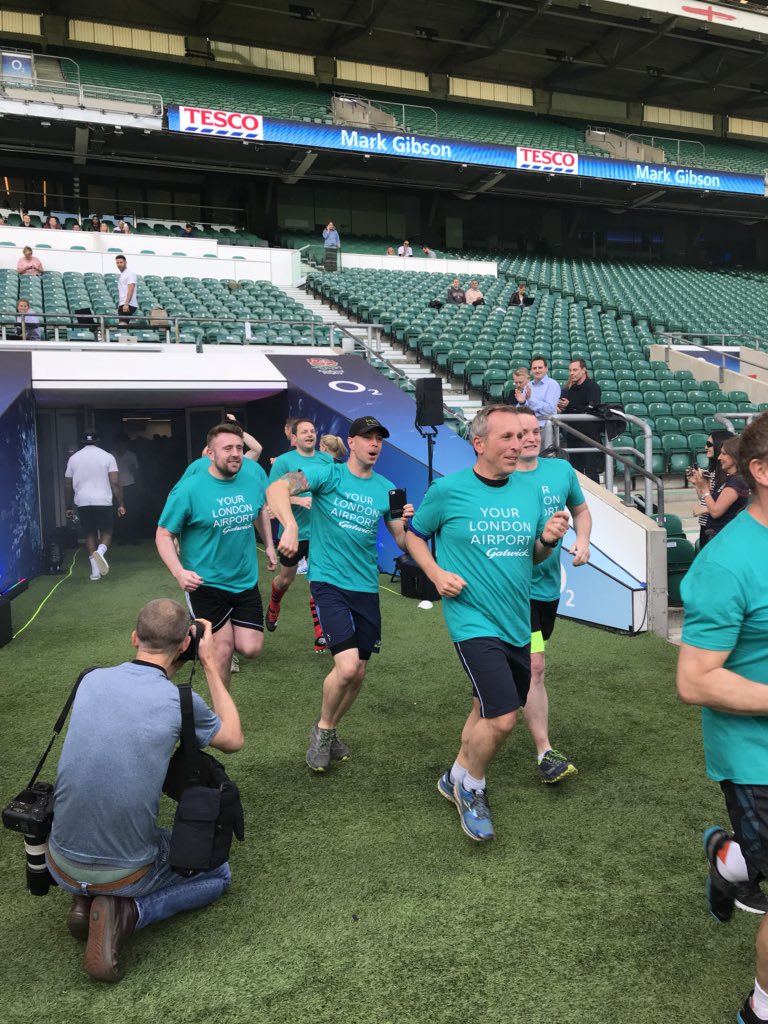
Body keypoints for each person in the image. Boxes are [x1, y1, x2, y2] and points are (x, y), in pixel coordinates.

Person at [45, 599, 243, 983]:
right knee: (219, 875)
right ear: (185, 644)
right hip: (126, 873)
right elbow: (233, 738)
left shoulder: (90, 679)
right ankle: (128, 912)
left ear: (135, 637)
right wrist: (209, 663)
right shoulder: (179, 701)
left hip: (58, 861)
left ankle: (84, 899)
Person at [405, 405, 569, 843]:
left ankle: (454, 775)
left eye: (521, 436)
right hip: (472, 618)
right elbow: (414, 535)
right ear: (479, 443)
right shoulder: (448, 490)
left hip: (516, 618)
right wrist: (436, 574)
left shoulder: (528, 492)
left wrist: (547, 540)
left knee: (485, 705)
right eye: (507, 437)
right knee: (502, 717)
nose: (519, 445)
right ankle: (471, 787)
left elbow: (533, 556)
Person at [676, 412, 768, 1022]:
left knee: (757, 857)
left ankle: (728, 859)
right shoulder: (726, 562)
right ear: (761, 470)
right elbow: (696, 680)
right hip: (756, 757)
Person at [266, 416, 413, 773]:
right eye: (368, 437)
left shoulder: (388, 489)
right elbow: (277, 490)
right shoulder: (327, 474)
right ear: (352, 442)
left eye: (379, 439)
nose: (374, 444)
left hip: (366, 586)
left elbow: (401, 540)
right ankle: (323, 730)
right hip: (329, 581)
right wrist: (289, 526)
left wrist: (409, 524)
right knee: (346, 667)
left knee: (358, 672)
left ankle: (329, 730)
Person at [156, 421, 276, 690]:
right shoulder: (189, 489)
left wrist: (269, 544)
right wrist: (178, 572)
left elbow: (259, 509)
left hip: (244, 579)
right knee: (223, 650)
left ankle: (193, 640)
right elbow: (163, 534)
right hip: (205, 581)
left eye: (239, 448)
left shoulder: (252, 479)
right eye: (227, 448)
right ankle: (222, 711)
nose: (235, 454)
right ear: (210, 453)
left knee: (251, 647)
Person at [515, 407, 592, 782]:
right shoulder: (500, 476)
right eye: (522, 432)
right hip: (514, 589)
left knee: (523, 668)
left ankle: (487, 701)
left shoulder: (561, 470)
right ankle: (545, 751)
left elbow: (581, 510)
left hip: (547, 588)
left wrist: (583, 539)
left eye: (535, 430)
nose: (531, 438)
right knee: (536, 665)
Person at [266, 419, 333, 652]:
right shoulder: (284, 461)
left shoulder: (326, 461)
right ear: (294, 437)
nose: (309, 435)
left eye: (312, 431)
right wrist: (297, 500)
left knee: (318, 580)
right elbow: (271, 493)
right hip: (292, 534)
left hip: (320, 532)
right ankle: (275, 603)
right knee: (286, 579)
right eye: (304, 432)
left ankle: (321, 633)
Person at [64, 432, 125, 581]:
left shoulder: (73, 458)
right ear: (98, 440)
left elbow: (67, 484)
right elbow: (115, 482)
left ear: (82, 441)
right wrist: (120, 503)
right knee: (107, 532)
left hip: (83, 501)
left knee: (89, 533)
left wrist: (68, 506)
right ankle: (101, 551)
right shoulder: (108, 457)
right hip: (103, 500)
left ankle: (95, 572)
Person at [690, 434, 750, 548]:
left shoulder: (737, 481)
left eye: (723, 454)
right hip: (718, 535)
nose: (719, 457)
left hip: (723, 537)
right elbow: (712, 502)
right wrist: (700, 485)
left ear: (734, 457)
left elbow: (715, 512)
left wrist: (705, 489)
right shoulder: (730, 479)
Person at [557, 359, 602, 482]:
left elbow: (592, 408)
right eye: (570, 370)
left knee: (591, 473)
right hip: (573, 435)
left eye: (575, 370)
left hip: (588, 437)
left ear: (583, 370)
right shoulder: (571, 388)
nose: (571, 373)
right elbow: (572, 410)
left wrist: (570, 405)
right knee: (575, 473)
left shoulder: (592, 386)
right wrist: (563, 408)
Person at [112, 436, 141, 544]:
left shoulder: (131, 455)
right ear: (116, 445)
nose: (123, 447)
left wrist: (138, 485)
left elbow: (136, 472)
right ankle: (121, 538)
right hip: (115, 487)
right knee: (118, 512)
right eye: (121, 445)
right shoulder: (111, 455)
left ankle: (133, 537)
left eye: (124, 445)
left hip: (129, 486)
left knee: (132, 512)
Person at [528, 356, 561, 440]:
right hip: (529, 428)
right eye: (534, 368)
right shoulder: (528, 386)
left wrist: (530, 400)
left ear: (546, 369)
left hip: (546, 428)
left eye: (540, 367)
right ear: (531, 370)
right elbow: (524, 408)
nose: (537, 370)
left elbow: (549, 409)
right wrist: (521, 402)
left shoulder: (553, 384)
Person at [115, 255, 138, 323]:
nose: (119, 264)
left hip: (128, 304)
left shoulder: (130, 274)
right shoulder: (122, 274)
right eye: (117, 263)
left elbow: (131, 289)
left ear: (125, 262)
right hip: (123, 303)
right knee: (122, 325)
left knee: (122, 325)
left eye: (121, 262)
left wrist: (126, 304)